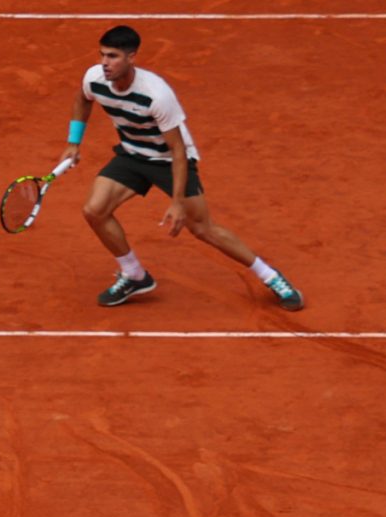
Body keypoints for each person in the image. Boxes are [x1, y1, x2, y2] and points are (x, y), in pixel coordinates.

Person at [58, 25, 304, 311]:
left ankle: (272, 277)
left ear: (131, 57)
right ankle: (135, 275)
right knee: (94, 211)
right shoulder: (95, 78)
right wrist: (74, 142)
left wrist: (176, 202)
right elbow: (82, 99)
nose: (104, 63)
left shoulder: (156, 94)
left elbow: (177, 149)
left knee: (202, 228)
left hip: (168, 160)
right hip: (132, 155)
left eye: (112, 56)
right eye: (102, 55)